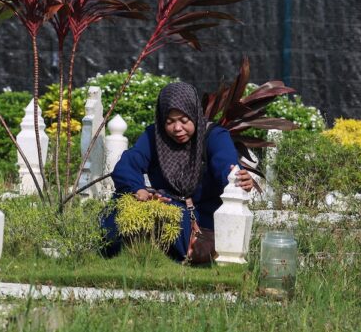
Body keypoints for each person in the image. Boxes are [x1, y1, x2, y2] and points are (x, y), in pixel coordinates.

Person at [102, 81, 256, 261]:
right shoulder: (154, 136)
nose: (177, 128)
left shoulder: (214, 136)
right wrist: (138, 190)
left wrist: (239, 180)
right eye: (170, 122)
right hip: (166, 206)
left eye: (184, 121)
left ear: (195, 115)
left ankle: (191, 249)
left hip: (203, 218)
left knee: (173, 217)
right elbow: (127, 165)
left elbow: (227, 167)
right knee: (121, 200)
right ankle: (114, 251)